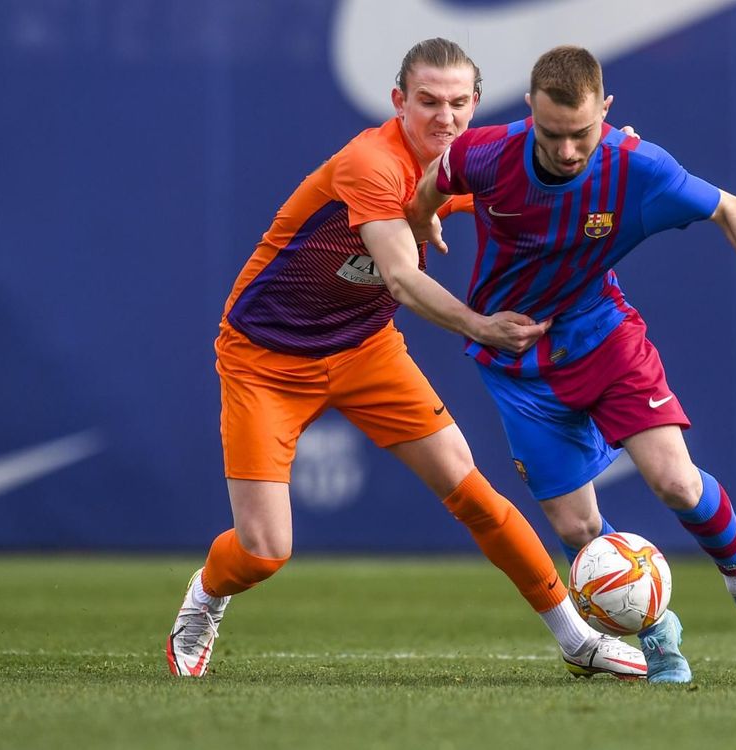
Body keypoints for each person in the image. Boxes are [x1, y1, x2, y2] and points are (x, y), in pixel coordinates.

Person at [165, 39, 646, 681]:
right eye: (427, 102)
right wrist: (479, 325)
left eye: (456, 102)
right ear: (399, 102)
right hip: (266, 358)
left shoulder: (477, 160)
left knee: (471, 488)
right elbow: (399, 277)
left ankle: (576, 637)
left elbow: (561, 162)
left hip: (365, 349)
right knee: (264, 550)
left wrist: (613, 154)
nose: (443, 117)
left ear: (476, 103)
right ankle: (205, 597)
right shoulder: (371, 163)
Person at [407, 45, 736, 684]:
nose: (568, 151)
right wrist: (425, 221)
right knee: (578, 527)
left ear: (607, 110)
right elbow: (433, 184)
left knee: (676, 483)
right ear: (529, 113)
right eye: (552, 134)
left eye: (582, 134)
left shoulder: (637, 166)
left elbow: (733, 209)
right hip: (515, 360)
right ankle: (656, 634)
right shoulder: (485, 154)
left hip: (603, 336)